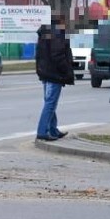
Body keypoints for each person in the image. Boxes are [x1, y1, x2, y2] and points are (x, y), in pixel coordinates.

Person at [35, 13, 74, 141]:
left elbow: (39, 54)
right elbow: (58, 55)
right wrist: (66, 70)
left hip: (45, 72)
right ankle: (42, 131)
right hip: (54, 73)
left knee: (49, 102)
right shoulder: (57, 34)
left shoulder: (45, 33)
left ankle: (52, 129)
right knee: (50, 103)